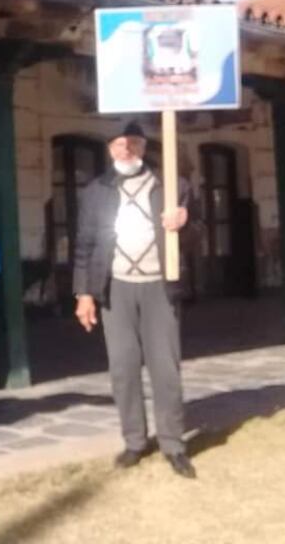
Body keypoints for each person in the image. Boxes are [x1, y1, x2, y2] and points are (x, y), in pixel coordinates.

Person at [73, 122, 197, 478]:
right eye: (120, 145)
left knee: (165, 369)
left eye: (134, 144)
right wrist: (84, 294)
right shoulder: (96, 191)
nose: (126, 151)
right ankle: (134, 441)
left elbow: (197, 238)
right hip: (116, 288)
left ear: (144, 148)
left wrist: (185, 223)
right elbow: (84, 245)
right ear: (110, 149)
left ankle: (173, 444)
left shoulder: (172, 187)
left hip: (160, 286)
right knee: (123, 368)